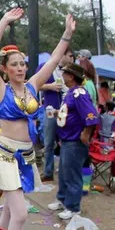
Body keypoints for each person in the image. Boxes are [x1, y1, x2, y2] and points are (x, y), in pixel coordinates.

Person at [0, 9, 75, 230]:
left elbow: (55, 59)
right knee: (21, 214)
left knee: (12, 211)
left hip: (26, 157)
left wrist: (67, 35)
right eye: (15, 64)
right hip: (5, 155)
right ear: (5, 69)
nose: (21, 68)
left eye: (23, 64)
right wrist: (4, 22)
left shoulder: (34, 86)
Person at [47, 63, 98, 220]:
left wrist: (85, 133)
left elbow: (91, 115)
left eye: (64, 73)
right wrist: (57, 113)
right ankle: (63, 199)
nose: (62, 76)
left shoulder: (79, 94)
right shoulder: (71, 93)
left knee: (72, 175)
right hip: (67, 139)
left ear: (70, 76)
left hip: (75, 141)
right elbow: (71, 113)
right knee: (64, 173)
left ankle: (73, 207)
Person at [39, 46, 72, 181]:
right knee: (48, 143)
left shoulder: (71, 71)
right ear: (62, 55)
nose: (71, 59)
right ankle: (48, 172)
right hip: (50, 111)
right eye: (70, 56)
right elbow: (36, 84)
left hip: (66, 112)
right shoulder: (45, 67)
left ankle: (64, 172)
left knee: (65, 143)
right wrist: (50, 86)